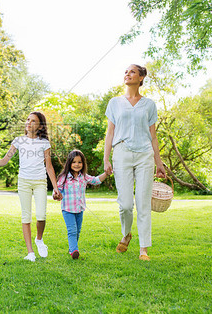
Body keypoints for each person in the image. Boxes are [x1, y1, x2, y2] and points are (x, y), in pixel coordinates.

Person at [103, 64, 166, 261]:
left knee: (142, 202)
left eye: (132, 72)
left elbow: (153, 136)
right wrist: (106, 158)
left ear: (141, 78)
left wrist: (159, 162)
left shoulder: (149, 105)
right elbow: (110, 133)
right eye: (125, 72)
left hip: (145, 155)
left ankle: (143, 249)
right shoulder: (115, 103)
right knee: (126, 205)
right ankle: (126, 233)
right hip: (121, 152)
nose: (127, 74)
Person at [0, 112, 62, 262]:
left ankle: (39, 239)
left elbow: (49, 167)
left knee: (41, 216)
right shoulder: (19, 141)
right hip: (24, 182)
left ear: (40, 126)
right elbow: (4, 160)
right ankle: (30, 253)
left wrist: (56, 188)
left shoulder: (44, 143)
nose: (28, 123)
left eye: (33, 121)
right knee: (26, 216)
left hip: (40, 181)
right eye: (28, 119)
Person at [56, 150, 110, 259]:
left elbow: (96, 180)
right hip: (67, 209)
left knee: (77, 231)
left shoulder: (83, 176)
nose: (77, 164)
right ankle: (74, 250)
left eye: (79, 162)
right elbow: (57, 190)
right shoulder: (64, 177)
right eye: (74, 162)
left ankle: (72, 248)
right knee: (72, 230)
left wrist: (106, 174)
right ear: (69, 163)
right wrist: (56, 195)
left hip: (79, 209)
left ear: (83, 164)